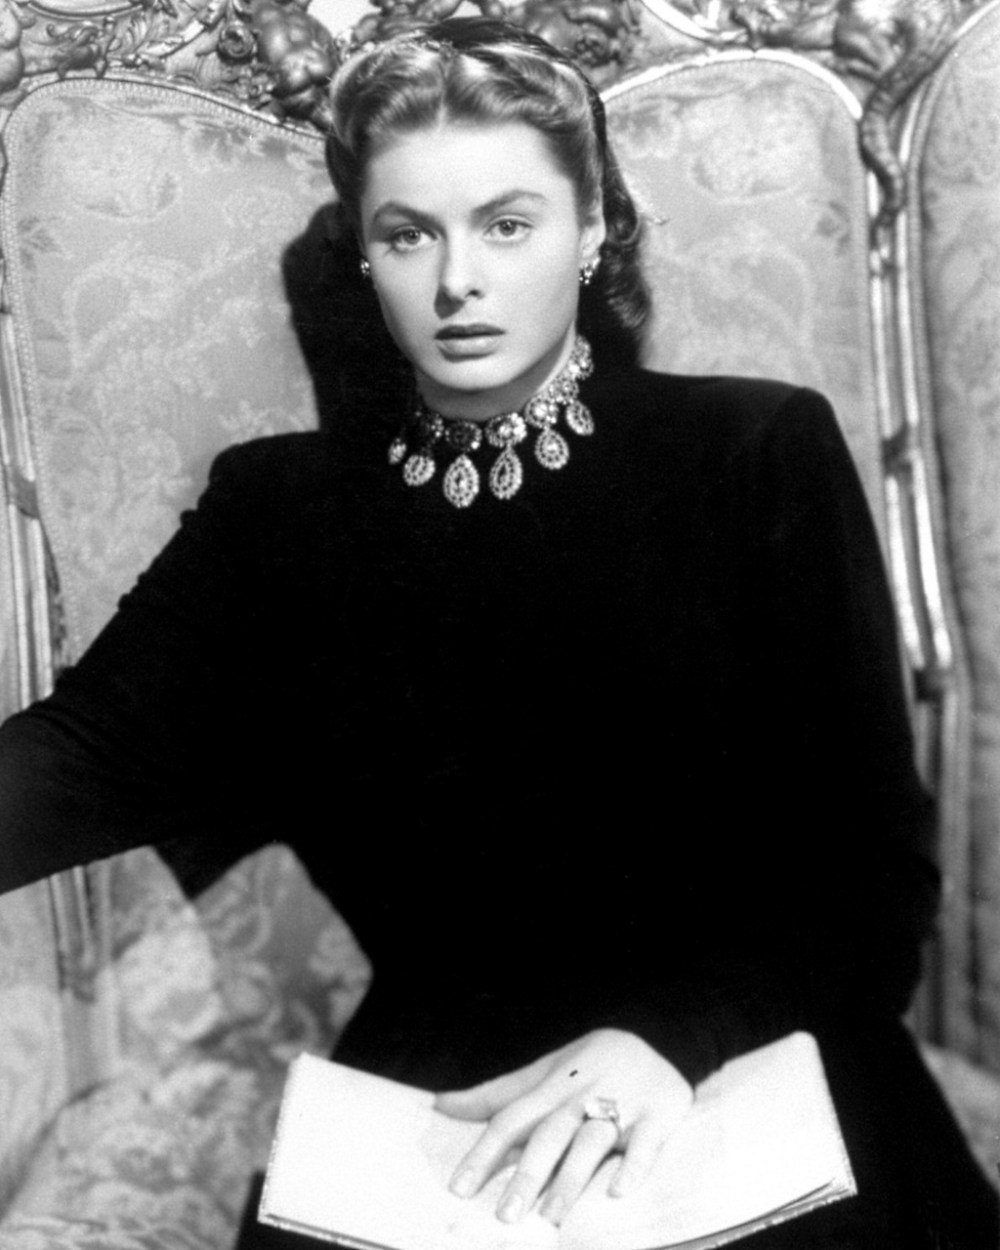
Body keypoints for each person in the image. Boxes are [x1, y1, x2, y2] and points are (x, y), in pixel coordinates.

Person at [0, 17, 997, 1248]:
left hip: (750, 1055)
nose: (456, 280)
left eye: (507, 224)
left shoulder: (753, 453)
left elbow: (874, 876)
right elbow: (82, 757)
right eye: (408, 233)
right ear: (366, 252)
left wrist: (666, 1041)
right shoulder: (279, 511)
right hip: (445, 1096)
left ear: (593, 229)